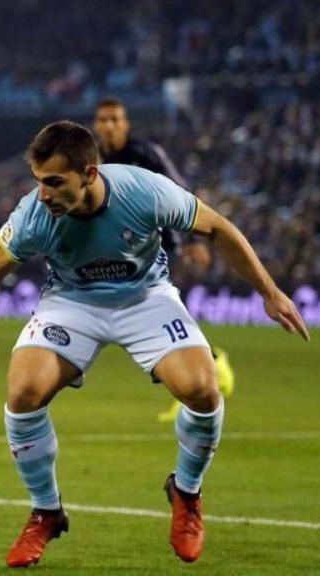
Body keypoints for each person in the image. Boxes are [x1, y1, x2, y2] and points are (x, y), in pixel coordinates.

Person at [0, 121, 308, 567]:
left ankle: (186, 492)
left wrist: (269, 291)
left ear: (89, 174)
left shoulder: (143, 191)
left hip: (145, 298)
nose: (43, 194)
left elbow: (217, 228)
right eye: (37, 182)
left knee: (203, 390)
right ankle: (46, 511)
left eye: (53, 182)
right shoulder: (33, 216)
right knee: (22, 393)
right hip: (71, 303)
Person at [94, 98, 236, 422]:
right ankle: (206, 367)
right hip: (124, 251)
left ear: (125, 123)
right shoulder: (95, 161)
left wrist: (188, 240)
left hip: (160, 245)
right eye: (103, 120)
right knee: (153, 317)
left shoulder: (145, 154)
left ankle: (199, 379)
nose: (109, 126)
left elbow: (180, 193)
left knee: (153, 315)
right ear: (96, 125)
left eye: (115, 119)